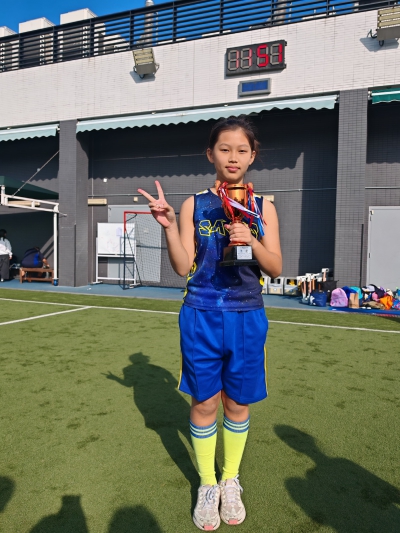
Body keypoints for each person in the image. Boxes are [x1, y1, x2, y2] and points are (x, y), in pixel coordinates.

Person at [138, 116, 282, 531]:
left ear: (252, 156)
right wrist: (168, 227)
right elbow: (183, 265)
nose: (233, 157)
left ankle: (230, 479)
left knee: (237, 403)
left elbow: (275, 267)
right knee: (204, 403)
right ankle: (207, 483)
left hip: (247, 314)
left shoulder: (264, 207)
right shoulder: (194, 205)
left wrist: (251, 239)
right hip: (200, 312)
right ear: (210, 154)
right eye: (224, 149)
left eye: (242, 150)